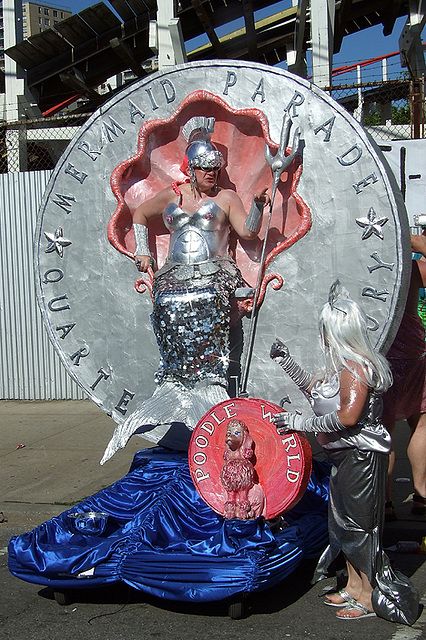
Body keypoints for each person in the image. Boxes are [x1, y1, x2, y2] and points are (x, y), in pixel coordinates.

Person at [101, 116, 270, 462]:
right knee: (164, 301)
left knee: (208, 298)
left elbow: (249, 234)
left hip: (215, 271)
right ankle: (175, 382)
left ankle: (211, 384)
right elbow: (138, 215)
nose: (212, 173)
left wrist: (255, 206)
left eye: (216, 168)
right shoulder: (172, 195)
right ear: (191, 168)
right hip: (176, 271)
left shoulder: (226, 198)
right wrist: (144, 250)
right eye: (206, 168)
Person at [270, 280, 419, 625]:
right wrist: (287, 362)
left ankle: (369, 594)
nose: (321, 336)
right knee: (341, 524)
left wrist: (298, 423)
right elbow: (318, 394)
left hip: (361, 458)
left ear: (337, 330)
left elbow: (347, 416)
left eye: (325, 329)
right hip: (344, 458)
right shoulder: (340, 366)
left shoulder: (356, 368)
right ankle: (353, 584)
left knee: (361, 527)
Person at [383, 230, 426, 520]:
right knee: (422, 422)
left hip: (381, 345)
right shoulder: (414, 267)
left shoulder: (371, 263)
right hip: (411, 345)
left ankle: (384, 503)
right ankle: (422, 495)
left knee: (382, 431)